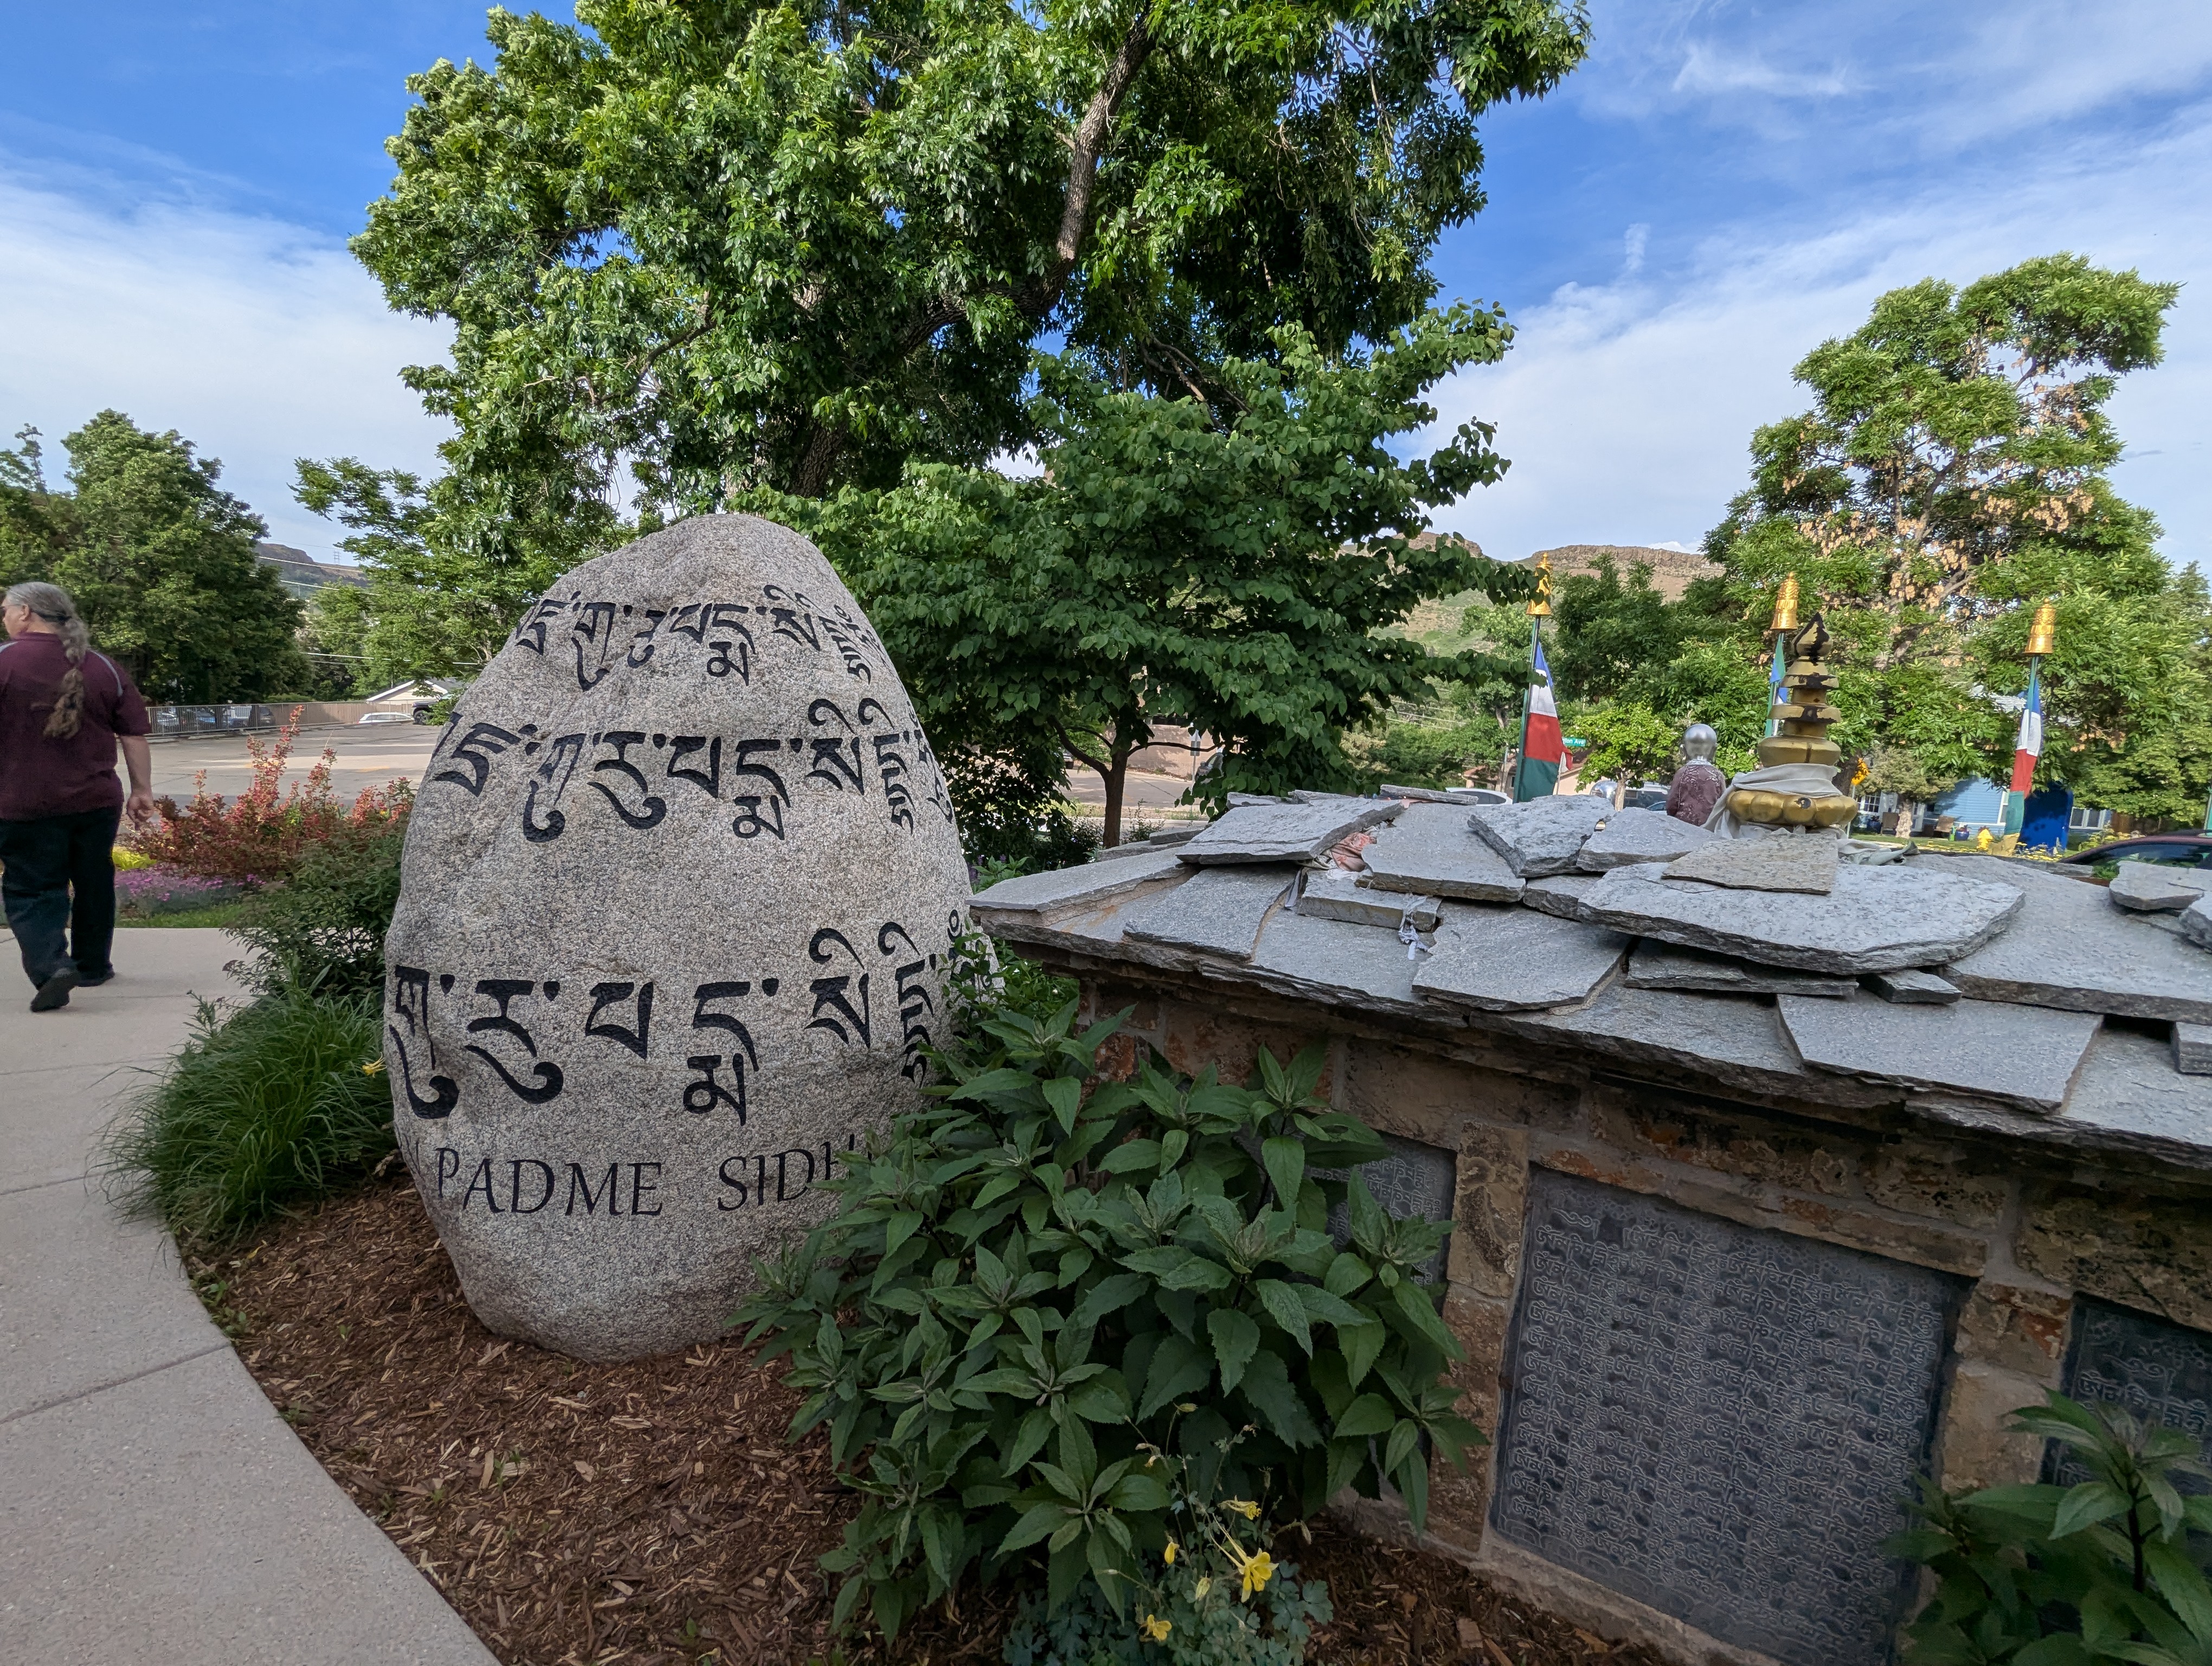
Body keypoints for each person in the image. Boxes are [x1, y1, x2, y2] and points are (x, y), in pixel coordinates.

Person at [0, 582, 155, 1011]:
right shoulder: (103, 667)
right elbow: (134, 735)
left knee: (32, 888)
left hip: (21, 801)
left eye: (5, 610)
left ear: (25, 612)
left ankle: (52, 966)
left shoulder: (4, 661)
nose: (5, 618)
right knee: (93, 880)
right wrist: (142, 791)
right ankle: (91, 966)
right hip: (95, 801)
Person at [1663, 723, 1726, 827]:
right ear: (1714, 750)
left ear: (1683, 750)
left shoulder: (1683, 773)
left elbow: (1672, 803)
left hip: (1684, 825)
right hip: (1710, 826)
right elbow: (1723, 805)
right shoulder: (1717, 775)